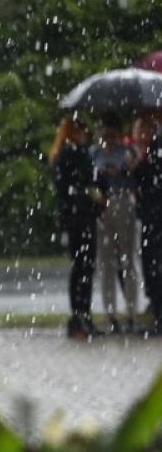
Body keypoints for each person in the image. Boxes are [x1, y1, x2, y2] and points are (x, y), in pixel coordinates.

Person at [51, 117, 100, 340]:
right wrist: (92, 194)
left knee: (81, 266)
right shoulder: (74, 154)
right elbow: (85, 183)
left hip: (75, 217)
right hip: (80, 217)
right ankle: (82, 314)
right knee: (84, 266)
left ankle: (81, 314)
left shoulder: (63, 154)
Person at [93, 118, 141, 333]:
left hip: (124, 203)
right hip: (102, 206)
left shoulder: (127, 152)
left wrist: (124, 168)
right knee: (106, 264)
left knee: (128, 261)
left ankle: (132, 312)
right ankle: (111, 313)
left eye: (113, 135)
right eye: (105, 135)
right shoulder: (93, 154)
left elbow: (134, 171)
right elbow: (90, 182)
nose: (109, 140)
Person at [131, 114, 162, 332]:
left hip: (156, 217)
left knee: (154, 265)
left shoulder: (155, 153)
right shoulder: (150, 153)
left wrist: (137, 169)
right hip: (151, 217)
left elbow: (151, 180)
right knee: (150, 264)